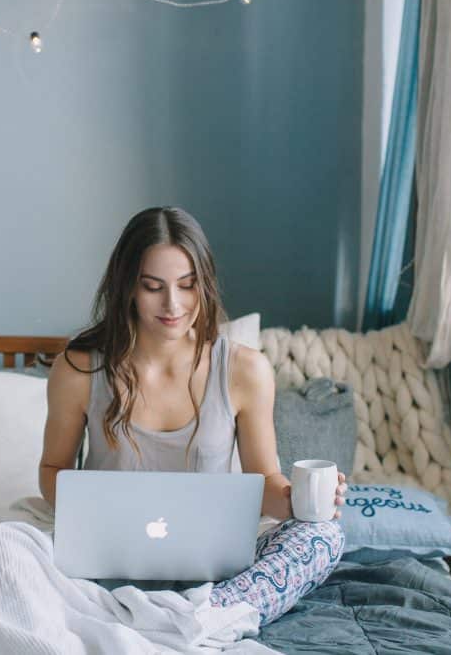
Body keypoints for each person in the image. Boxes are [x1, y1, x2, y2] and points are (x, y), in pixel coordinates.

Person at [38, 206, 347, 626]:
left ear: (206, 284)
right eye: (153, 287)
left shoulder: (245, 370)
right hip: (106, 561)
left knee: (325, 536)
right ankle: (184, 621)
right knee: (3, 544)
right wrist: (89, 515)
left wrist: (299, 502)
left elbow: (264, 483)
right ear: (127, 286)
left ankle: (204, 615)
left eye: (188, 286)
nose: (173, 304)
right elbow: (53, 469)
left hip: (215, 574)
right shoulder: (78, 370)